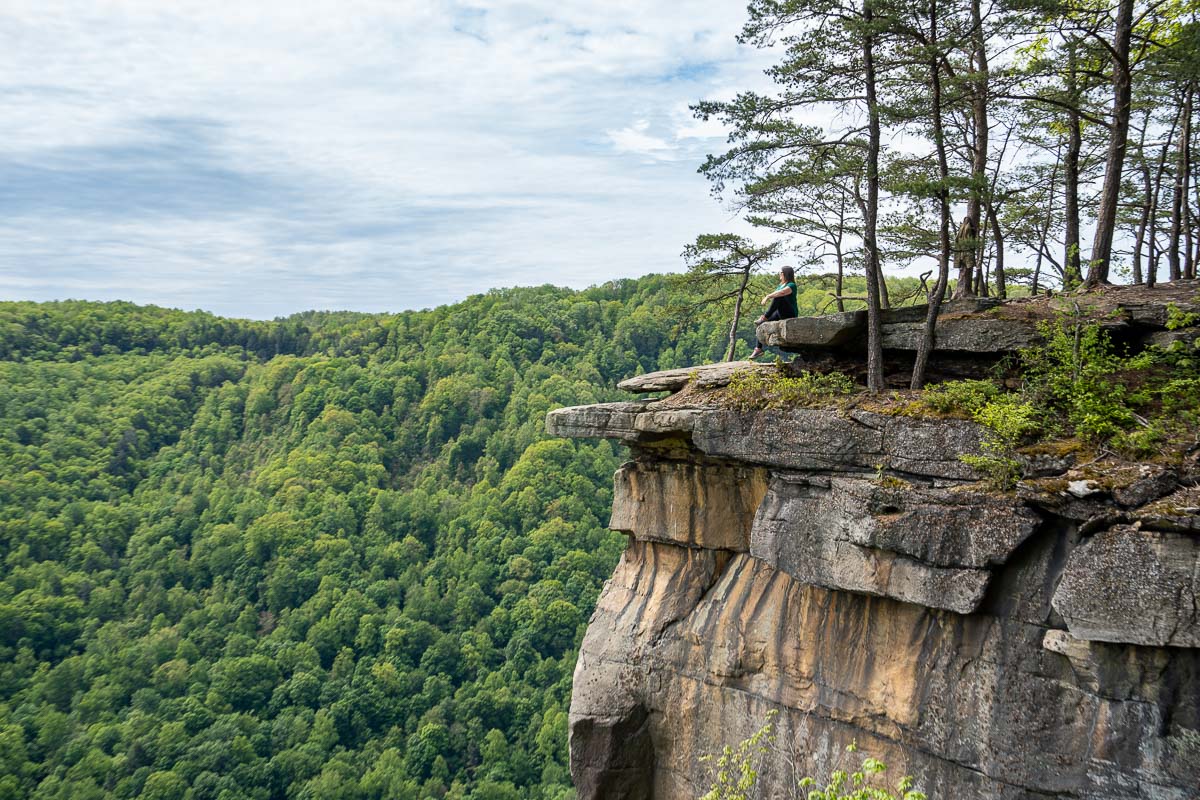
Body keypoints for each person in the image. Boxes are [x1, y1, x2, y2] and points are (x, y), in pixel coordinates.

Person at [749, 266, 798, 359]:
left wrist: (767, 296)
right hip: (780, 312)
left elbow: (782, 293)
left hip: (790, 313)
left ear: (784, 274)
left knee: (779, 296)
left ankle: (765, 317)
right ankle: (758, 349)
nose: (779, 274)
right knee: (761, 324)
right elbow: (775, 301)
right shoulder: (780, 285)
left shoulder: (792, 285)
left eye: (780, 272)